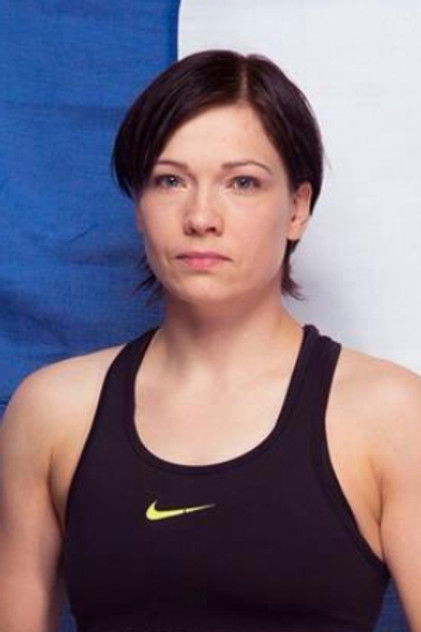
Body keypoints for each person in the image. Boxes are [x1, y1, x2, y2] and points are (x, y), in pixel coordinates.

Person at [0, 49, 420, 632]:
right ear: (139, 206)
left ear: (297, 208)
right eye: (170, 181)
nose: (201, 217)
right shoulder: (51, 411)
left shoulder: (391, 415)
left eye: (242, 182)